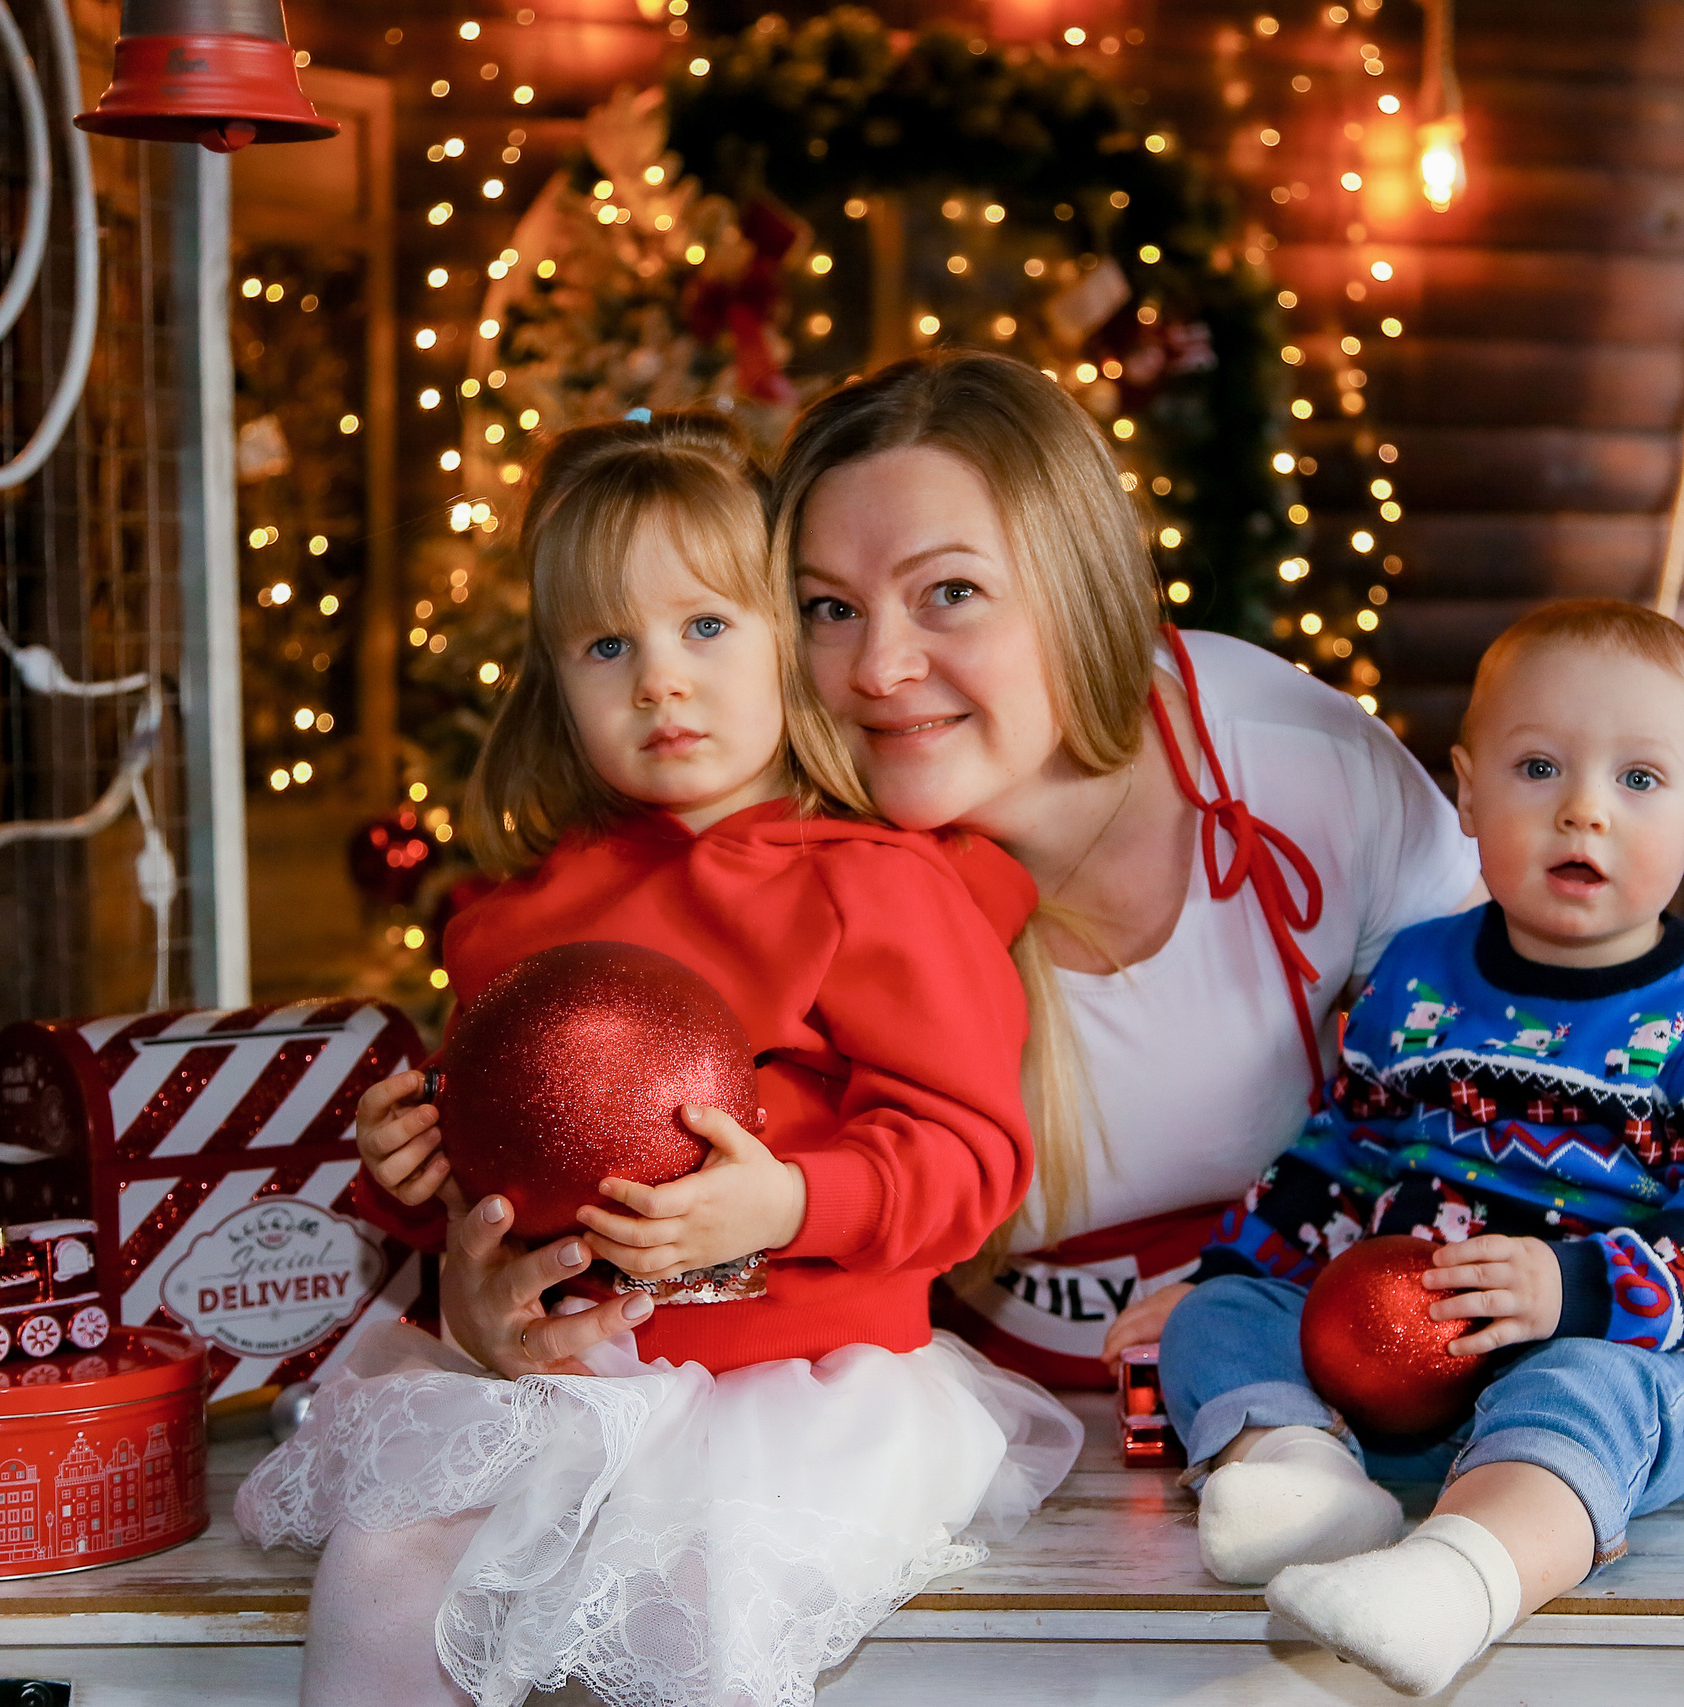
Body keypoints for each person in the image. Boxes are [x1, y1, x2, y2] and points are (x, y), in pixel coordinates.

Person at [437, 349, 1684, 1401]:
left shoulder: (1287, 761)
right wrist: (484, 1273)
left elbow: (1554, 1028)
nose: (878, 668)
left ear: (1077, 581)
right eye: (824, 607)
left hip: (1351, 1402)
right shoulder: (757, 857)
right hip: (929, 1438)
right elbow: (628, 1163)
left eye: (951, 592)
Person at [236, 411, 1081, 1707]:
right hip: (566, 1377)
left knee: (705, 1605)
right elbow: (507, 1183)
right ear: (552, 677)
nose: (660, 680)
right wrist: (419, 1176)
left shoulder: (878, 885)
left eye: (706, 626)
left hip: (798, 1382)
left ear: (789, 642)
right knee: (387, 1575)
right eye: (606, 643)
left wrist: (790, 1198)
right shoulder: (519, 913)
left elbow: (970, 1152)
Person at [1158, 600, 1684, 1696]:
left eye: (1638, 781)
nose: (1583, 814)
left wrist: (1572, 1288)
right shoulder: (1415, 975)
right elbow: (1343, 1155)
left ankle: (1459, 1577)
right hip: (1398, 1358)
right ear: (1466, 791)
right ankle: (1301, 1478)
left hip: (1635, 1362)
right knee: (1214, 1311)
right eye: (1539, 768)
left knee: (1587, 1384)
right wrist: (1246, 1266)